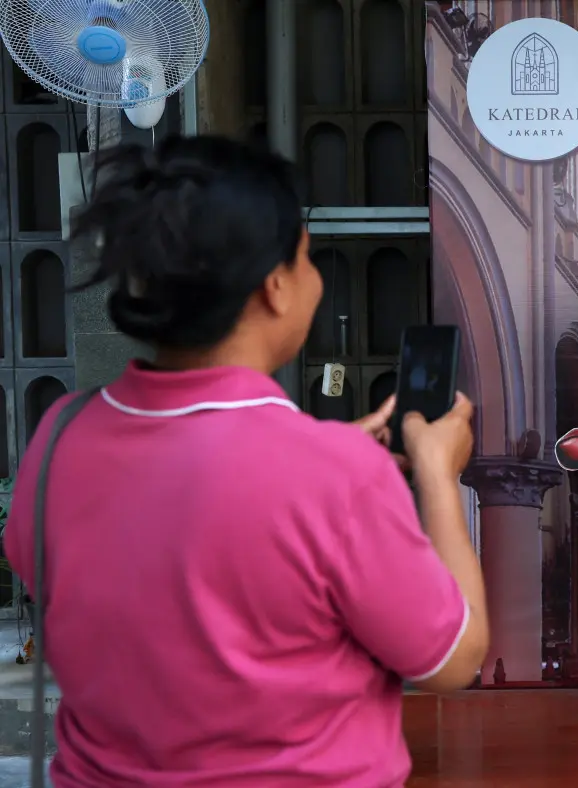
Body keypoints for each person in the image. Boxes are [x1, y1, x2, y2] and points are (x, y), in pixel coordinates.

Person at [3, 136, 487, 787]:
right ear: (276, 286)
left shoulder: (58, 436)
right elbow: (452, 661)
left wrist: (332, 462)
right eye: (310, 259)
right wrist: (437, 473)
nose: (316, 279)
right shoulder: (333, 475)